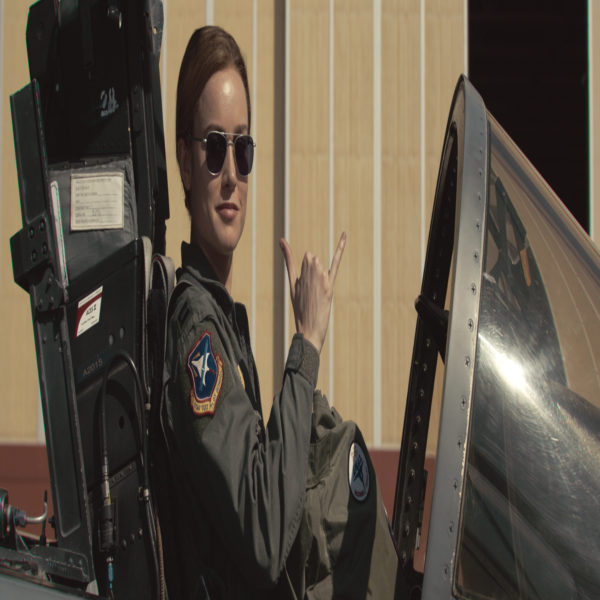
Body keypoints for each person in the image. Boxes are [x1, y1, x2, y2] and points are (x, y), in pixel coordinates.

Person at [156, 25, 398, 600]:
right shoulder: (199, 332)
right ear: (185, 162)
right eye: (214, 148)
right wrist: (306, 344)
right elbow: (265, 531)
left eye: (242, 149)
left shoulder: (222, 319)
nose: (231, 175)